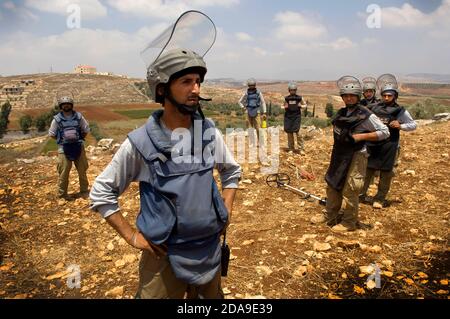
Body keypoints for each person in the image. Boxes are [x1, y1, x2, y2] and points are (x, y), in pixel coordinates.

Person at [89, 46, 241, 298]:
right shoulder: (141, 143)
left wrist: (226, 210)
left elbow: (231, 171)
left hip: (208, 250)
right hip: (164, 259)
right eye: (186, 82)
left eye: (198, 82)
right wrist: (132, 237)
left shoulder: (208, 133)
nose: (196, 89)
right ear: (162, 89)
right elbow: (101, 192)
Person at [311, 76, 390, 232]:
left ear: (357, 96)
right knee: (333, 184)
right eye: (346, 95)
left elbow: (385, 132)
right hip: (339, 154)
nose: (349, 98)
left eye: (352, 95)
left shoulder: (365, 114)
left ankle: (349, 222)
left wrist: (362, 136)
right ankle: (330, 214)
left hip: (357, 155)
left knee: (351, 188)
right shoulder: (342, 113)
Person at [360, 74, 416, 208]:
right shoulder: (374, 107)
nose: (386, 98)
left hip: (390, 145)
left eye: (389, 96)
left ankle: (379, 199)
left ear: (395, 96)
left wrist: (401, 125)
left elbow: (413, 124)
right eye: (384, 95)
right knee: (368, 171)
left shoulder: (400, 110)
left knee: (386, 173)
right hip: (373, 144)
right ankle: (360, 194)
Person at [48, 95, 90, 199]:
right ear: (61, 106)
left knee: (82, 171)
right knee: (63, 172)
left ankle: (84, 191)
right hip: (63, 149)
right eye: (64, 104)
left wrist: (78, 139)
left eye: (68, 104)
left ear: (71, 105)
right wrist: (63, 141)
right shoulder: (56, 119)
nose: (66, 106)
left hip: (78, 147)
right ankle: (62, 195)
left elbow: (85, 130)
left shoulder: (79, 117)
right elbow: (52, 134)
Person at [238, 78, 267, 145]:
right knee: (250, 128)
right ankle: (252, 142)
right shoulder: (246, 93)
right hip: (248, 111)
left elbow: (263, 102)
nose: (252, 87)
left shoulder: (258, 93)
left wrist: (264, 112)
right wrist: (243, 108)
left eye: (253, 85)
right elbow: (239, 101)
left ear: (255, 85)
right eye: (250, 85)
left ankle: (261, 142)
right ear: (248, 86)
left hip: (257, 111)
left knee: (258, 128)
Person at [282, 82, 307, 153]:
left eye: (294, 90)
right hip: (288, 117)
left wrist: (301, 106)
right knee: (289, 133)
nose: (293, 91)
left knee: (298, 133)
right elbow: (282, 106)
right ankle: (291, 148)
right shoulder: (286, 98)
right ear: (289, 90)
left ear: (296, 90)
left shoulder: (300, 98)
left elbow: (305, 105)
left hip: (296, 117)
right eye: (291, 90)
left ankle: (301, 149)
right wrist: (284, 107)